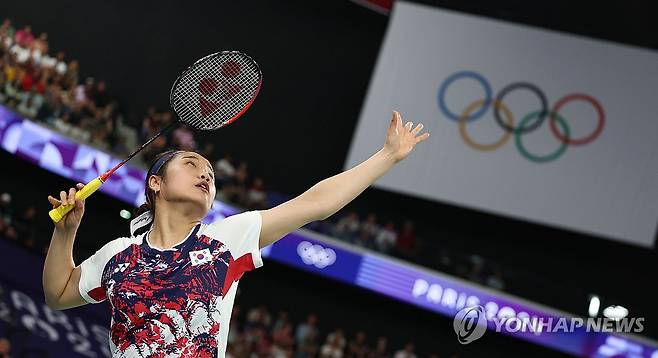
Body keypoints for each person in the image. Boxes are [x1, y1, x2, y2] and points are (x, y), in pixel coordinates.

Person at [42, 111, 429, 357]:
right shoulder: (117, 256)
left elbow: (315, 204)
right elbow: (58, 295)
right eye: (193, 164)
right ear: (155, 184)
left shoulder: (224, 241)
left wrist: (387, 156)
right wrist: (66, 232)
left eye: (210, 176)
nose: (206, 175)